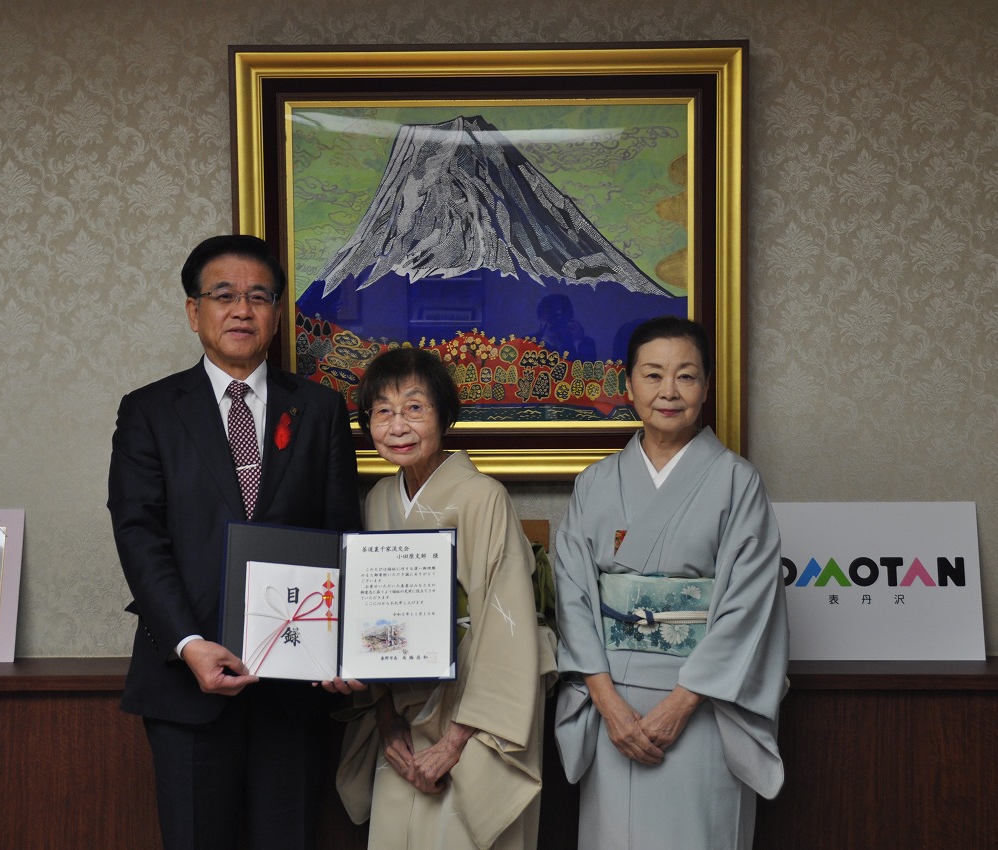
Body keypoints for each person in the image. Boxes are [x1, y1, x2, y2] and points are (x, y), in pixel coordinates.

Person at [107, 234, 361, 850]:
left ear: (277, 315)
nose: (241, 310)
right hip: (185, 680)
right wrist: (189, 643)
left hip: (296, 686)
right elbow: (138, 534)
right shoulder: (149, 411)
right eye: (223, 295)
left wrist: (344, 648)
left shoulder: (322, 409)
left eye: (258, 296)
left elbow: (341, 533)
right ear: (194, 311)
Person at [552, 316, 789, 850]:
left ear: (706, 387)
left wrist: (682, 703)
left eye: (686, 376)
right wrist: (608, 704)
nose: (669, 391)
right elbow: (572, 597)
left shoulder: (736, 481)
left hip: (700, 703)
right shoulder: (595, 483)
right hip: (611, 701)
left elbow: (748, 607)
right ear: (628, 385)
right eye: (653, 375)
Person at [333, 347, 556, 850]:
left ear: (444, 416)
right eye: (382, 411)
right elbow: (370, 622)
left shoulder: (482, 497)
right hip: (404, 726)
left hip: (472, 722)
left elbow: (508, 627)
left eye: (415, 407)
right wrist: (386, 721)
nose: (397, 425)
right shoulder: (376, 502)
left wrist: (457, 741)